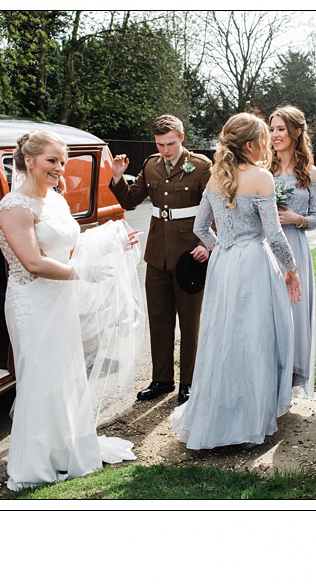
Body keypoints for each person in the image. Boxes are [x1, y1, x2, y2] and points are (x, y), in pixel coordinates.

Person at [0, 130, 143, 492]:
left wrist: (111, 242)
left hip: (60, 299)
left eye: (62, 162)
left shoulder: (56, 201)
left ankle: (66, 448)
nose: (59, 168)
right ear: (28, 161)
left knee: (66, 373)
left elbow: (69, 249)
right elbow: (32, 263)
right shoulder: (14, 207)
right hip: (32, 301)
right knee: (41, 376)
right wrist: (83, 274)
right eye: (51, 161)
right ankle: (35, 461)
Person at [171, 113, 301, 452]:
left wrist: (221, 248)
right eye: (263, 138)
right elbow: (273, 235)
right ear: (250, 144)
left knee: (223, 336)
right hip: (255, 264)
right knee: (253, 337)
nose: (267, 144)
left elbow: (200, 229)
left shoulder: (217, 177)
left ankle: (219, 415)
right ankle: (249, 420)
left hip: (225, 264)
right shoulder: (261, 177)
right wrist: (292, 268)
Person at [104, 114, 215, 405]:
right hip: (156, 255)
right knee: (159, 319)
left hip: (190, 255)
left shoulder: (202, 166)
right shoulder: (150, 164)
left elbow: (215, 208)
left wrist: (208, 244)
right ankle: (162, 379)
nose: (165, 150)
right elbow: (130, 201)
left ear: (181, 138)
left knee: (190, 322)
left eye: (170, 143)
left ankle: (189, 382)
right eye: (159, 144)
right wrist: (117, 177)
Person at [269, 104, 316, 398]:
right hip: (267, 248)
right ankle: (268, 375)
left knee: (293, 313)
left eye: (281, 129)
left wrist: (296, 219)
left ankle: (289, 381)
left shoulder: (310, 173)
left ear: (297, 131)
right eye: (272, 129)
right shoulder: (264, 168)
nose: (275, 135)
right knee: (269, 312)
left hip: (296, 246)